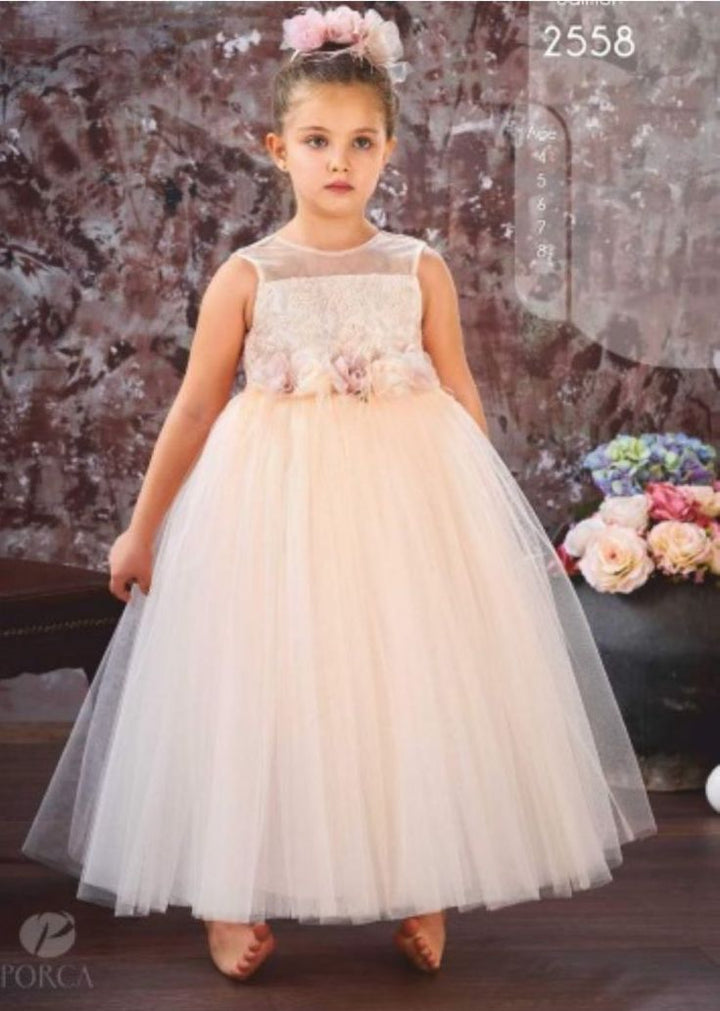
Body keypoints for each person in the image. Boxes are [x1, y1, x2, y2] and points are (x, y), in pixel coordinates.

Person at [21, 3, 657, 984]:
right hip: (270, 505)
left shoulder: (418, 267)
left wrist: (498, 522)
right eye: (317, 141)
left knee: (411, 682)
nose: (339, 162)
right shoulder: (247, 276)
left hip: (407, 503)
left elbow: (459, 390)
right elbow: (192, 414)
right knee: (258, 687)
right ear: (277, 148)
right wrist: (141, 533)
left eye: (361, 143)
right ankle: (230, 896)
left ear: (388, 150)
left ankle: (422, 881)